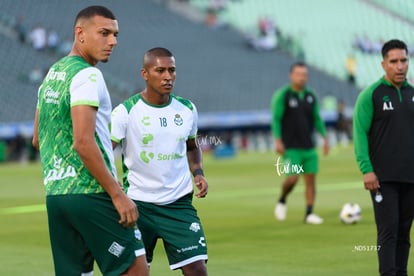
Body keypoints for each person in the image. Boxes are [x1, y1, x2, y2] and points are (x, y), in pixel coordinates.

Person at [32, 6, 149, 276]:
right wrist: (118, 195)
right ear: (80, 34)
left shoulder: (51, 75)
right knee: (135, 270)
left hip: (57, 197)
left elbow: (38, 139)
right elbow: (83, 142)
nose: (113, 42)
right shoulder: (88, 75)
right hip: (92, 192)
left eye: (115, 35)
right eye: (104, 33)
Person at [111, 47, 209, 275]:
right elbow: (104, 151)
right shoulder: (125, 112)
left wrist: (198, 172)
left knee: (197, 270)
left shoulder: (186, 109)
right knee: (134, 272)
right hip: (138, 205)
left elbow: (192, 147)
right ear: (145, 74)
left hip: (178, 205)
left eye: (172, 70)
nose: (168, 76)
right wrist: (113, 184)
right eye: (160, 70)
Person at [353, 39, 414, 276]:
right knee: (388, 230)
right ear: (383, 64)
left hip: (410, 175)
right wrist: (366, 169)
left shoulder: (412, 94)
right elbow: (359, 133)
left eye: (404, 61)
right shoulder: (372, 95)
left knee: (404, 231)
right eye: (394, 61)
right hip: (382, 178)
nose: (400, 66)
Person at [271, 61, 329, 224]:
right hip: (291, 148)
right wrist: (277, 140)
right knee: (293, 179)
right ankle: (282, 199)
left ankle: (309, 213)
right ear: (291, 75)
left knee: (311, 181)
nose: (302, 78)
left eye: (304, 75)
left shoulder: (311, 96)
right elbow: (276, 119)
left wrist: (324, 137)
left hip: (309, 147)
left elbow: (317, 118)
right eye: (298, 74)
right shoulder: (284, 95)